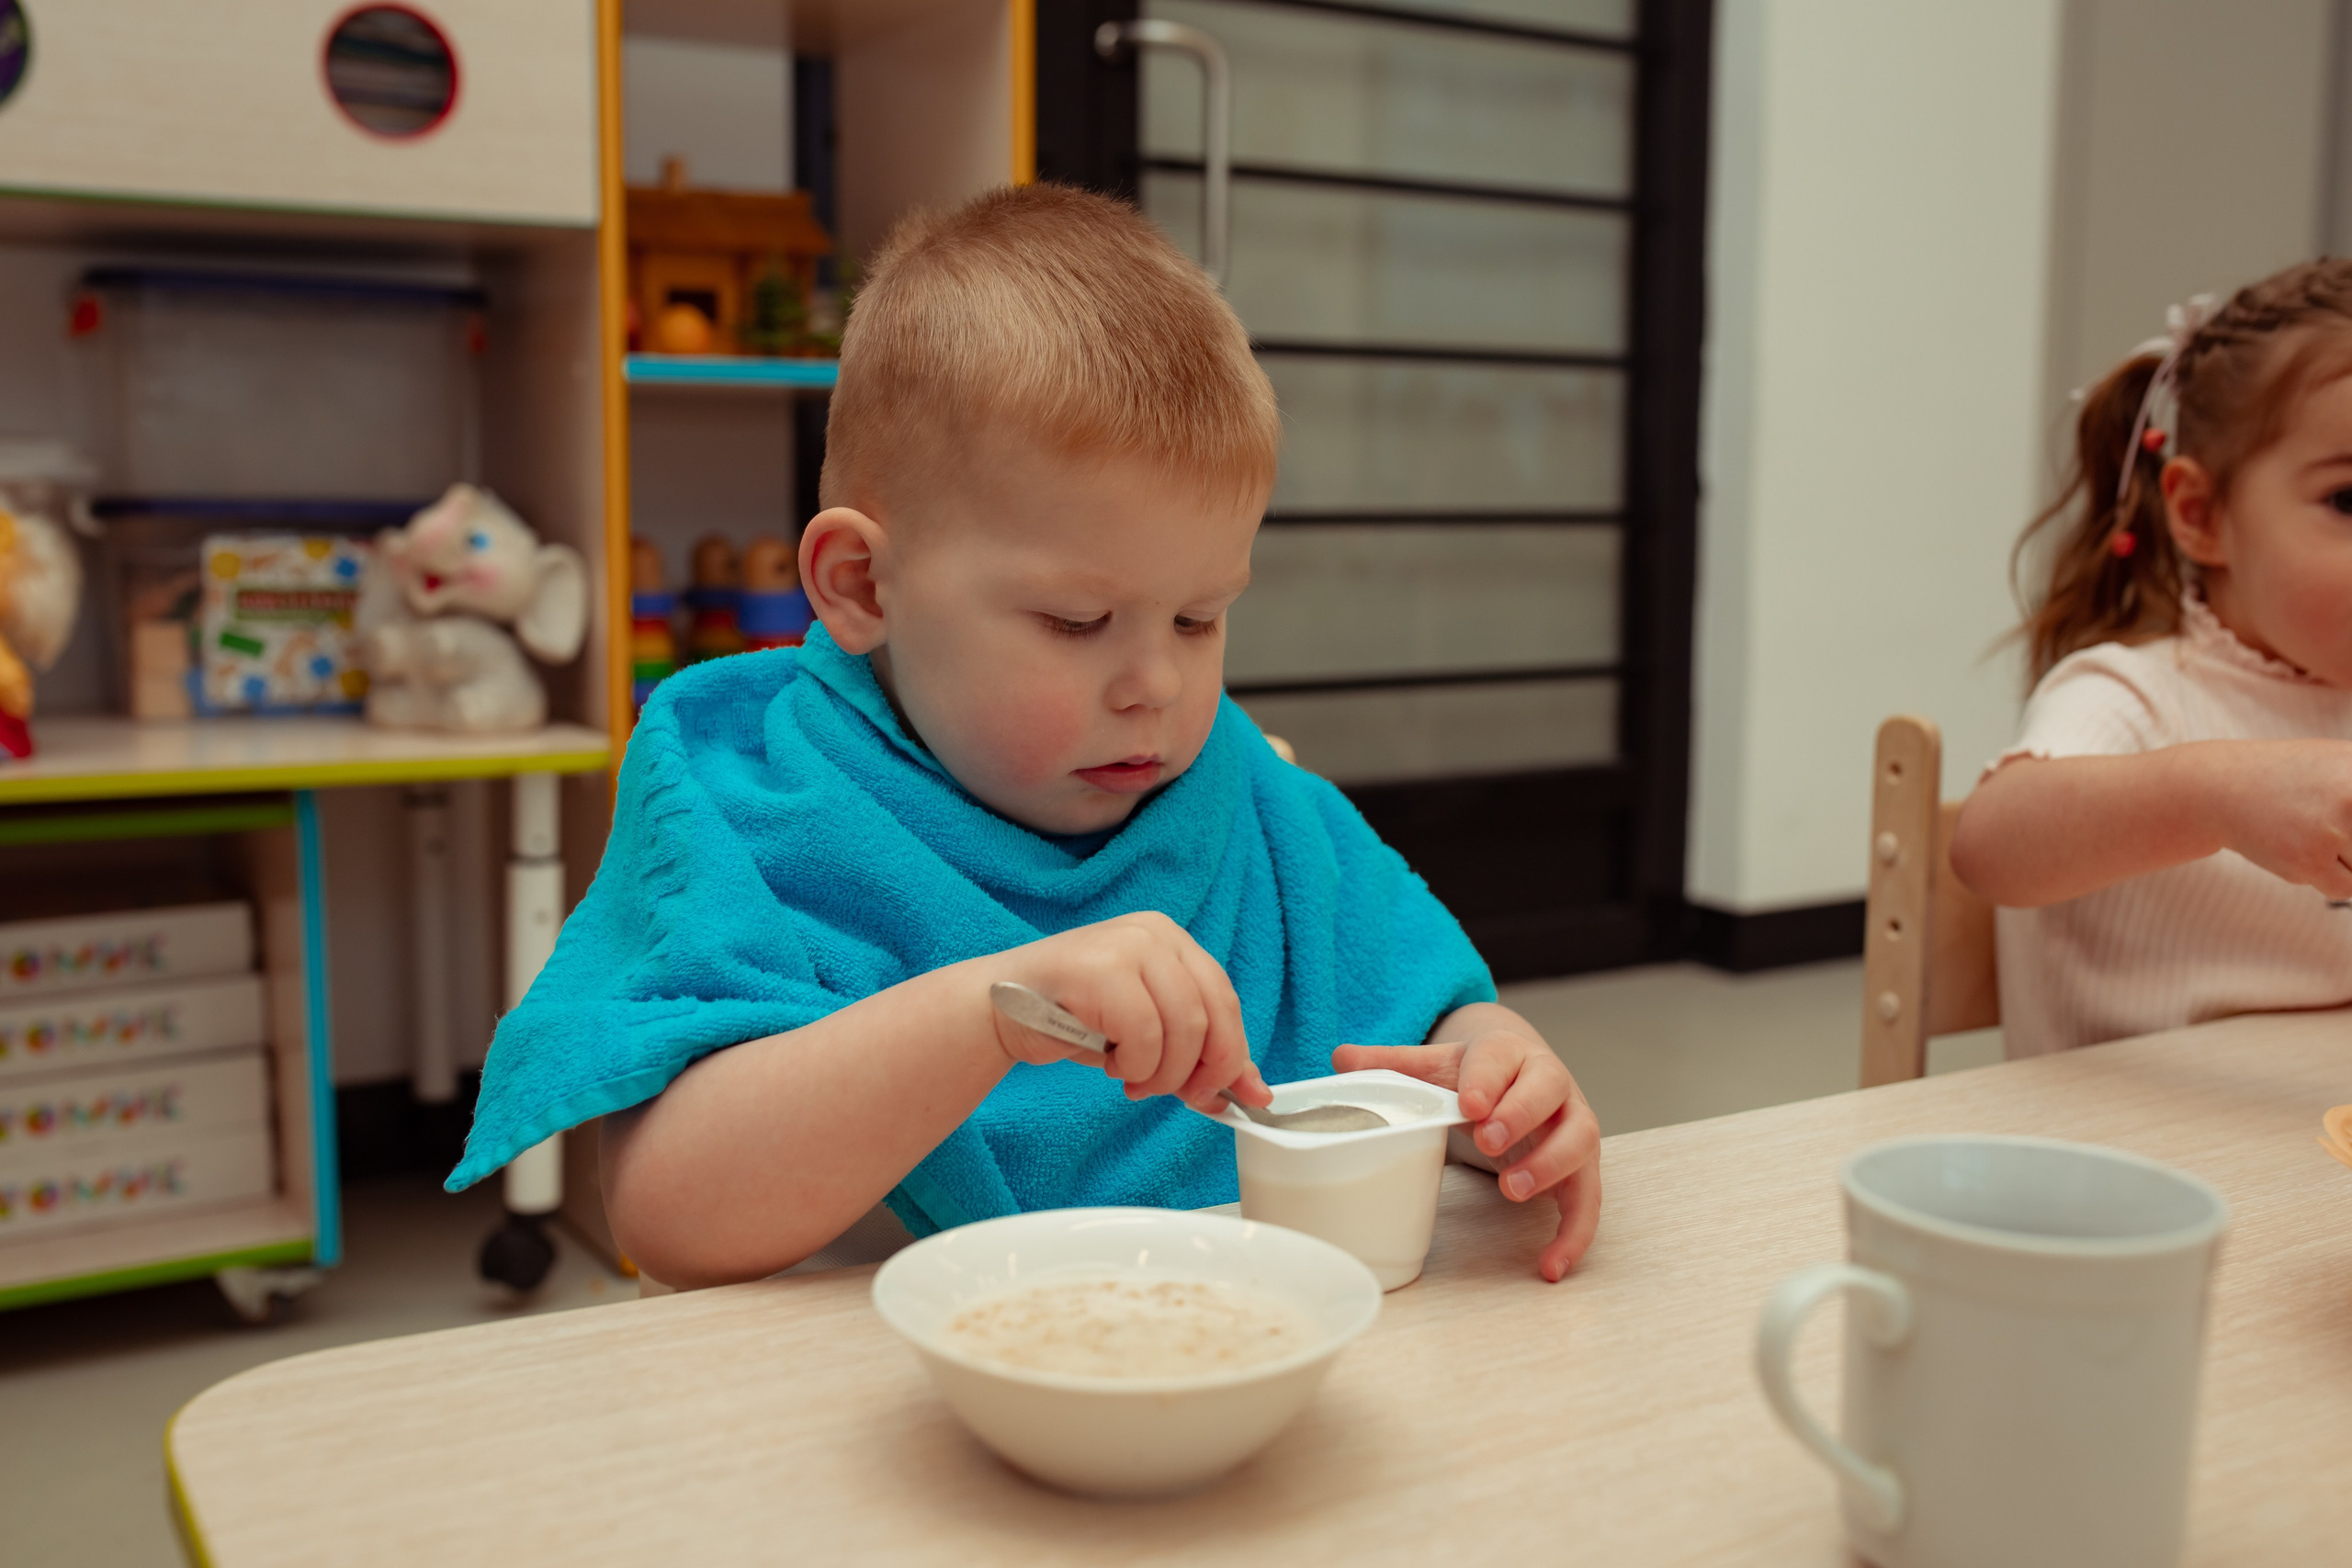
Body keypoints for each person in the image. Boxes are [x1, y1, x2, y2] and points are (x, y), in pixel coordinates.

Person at [447, 185, 1602, 1286]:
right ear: (860, 584)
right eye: (1077, 621)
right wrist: (988, 1013)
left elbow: (1411, 1018)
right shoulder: (751, 804)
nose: (1156, 684)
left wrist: (1489, 1074)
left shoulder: (1240, 789)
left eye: (1201, 618)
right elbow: (670, 1216)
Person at [1951, 260, 2352, 1055]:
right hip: (2121, 1155)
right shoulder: (2131, 694)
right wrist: (2218, 793)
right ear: (2200, 515)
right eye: (2348, 500)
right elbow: (1988, 846)